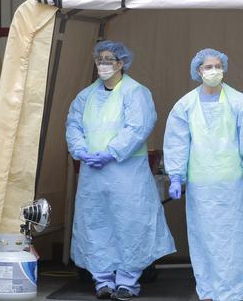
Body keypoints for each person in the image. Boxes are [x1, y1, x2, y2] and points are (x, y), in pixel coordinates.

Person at [66, 40, 176, 301]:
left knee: (131, 224)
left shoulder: (136, 92)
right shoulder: (85, 96)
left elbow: (138, 127)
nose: (103, 64)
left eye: (108, 59)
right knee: (95, 223)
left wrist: (112, 152)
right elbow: (73, 125)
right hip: (93, 174)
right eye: (99, 59)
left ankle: (127, 281)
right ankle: (102, 280)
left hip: (127, 174)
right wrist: (81, 150)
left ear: (121, 62)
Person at [164, 48, 243, 301]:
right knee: (202, 240)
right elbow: (177, 143)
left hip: (231, 186)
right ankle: (207, 292)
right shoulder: (184, 105)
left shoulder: (240, 102)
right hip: (200, 187)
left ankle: (232, 295)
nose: (213, 71)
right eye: (208, 67)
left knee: (232, 241)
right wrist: (176, 176)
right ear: (198, 71)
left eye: (218, 66)